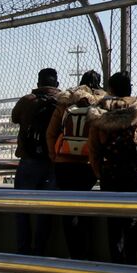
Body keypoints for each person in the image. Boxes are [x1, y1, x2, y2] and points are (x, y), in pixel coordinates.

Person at [47, 72, 104, 259]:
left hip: (64, 163)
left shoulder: (65, 101)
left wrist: (55, 156)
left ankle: (74, 254)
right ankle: (87, 253)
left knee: (69, 210)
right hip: (87, 164)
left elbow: (51, 133)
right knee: (86, 208)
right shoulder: (100, 102)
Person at [9, 68, 66, 256]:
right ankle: (40, 251)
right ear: (57, 84)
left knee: (21, 207)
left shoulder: (28, 101)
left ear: (38, 83)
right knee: (45, 208)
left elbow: (14, 117)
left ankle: (23, 250)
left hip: (29, 160)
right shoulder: (63, 102)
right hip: (52, 160)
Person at [89, 71, 137, 263]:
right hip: (131, 170)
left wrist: (98, 171)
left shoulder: (100, 112)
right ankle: (132, 262)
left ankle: (116, 263)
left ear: (110, 90)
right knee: (132, 219)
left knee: (113, 221)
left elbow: (93, 148)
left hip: (109, 171)